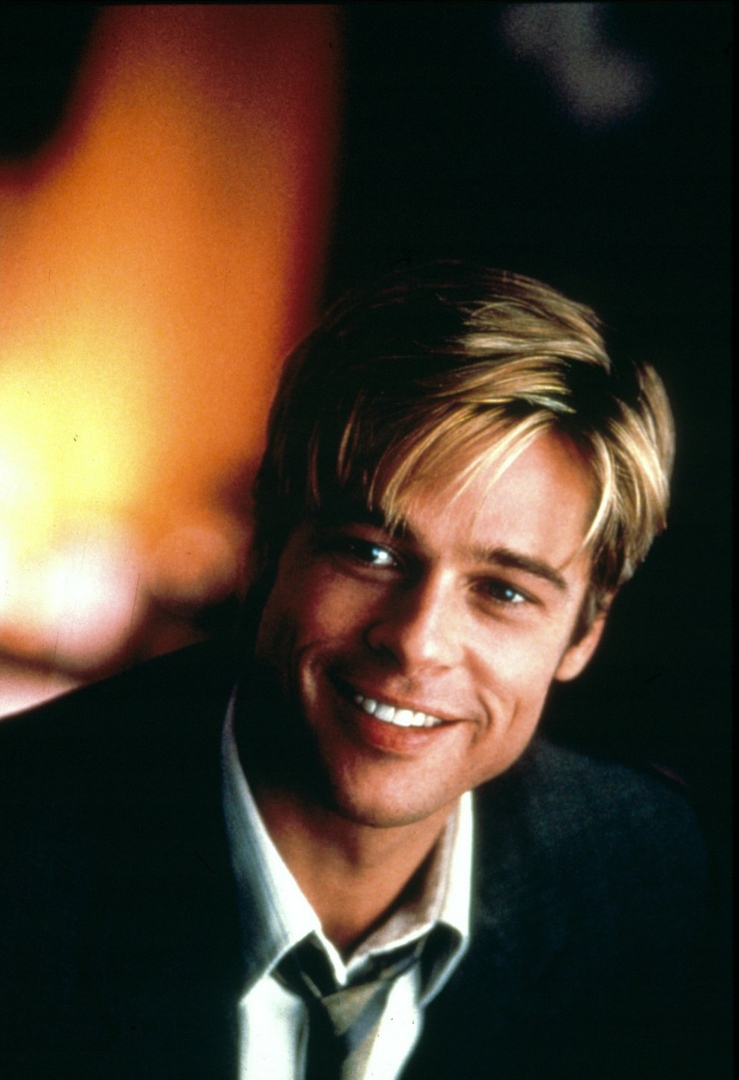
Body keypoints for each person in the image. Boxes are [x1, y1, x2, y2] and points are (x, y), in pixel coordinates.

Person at [0, 263, 715, 1079]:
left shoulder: (641, 869)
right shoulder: (24, 844)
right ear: (267, 546)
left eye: (503, 591)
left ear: (584, 632)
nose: (416, 642)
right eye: (370, 554)